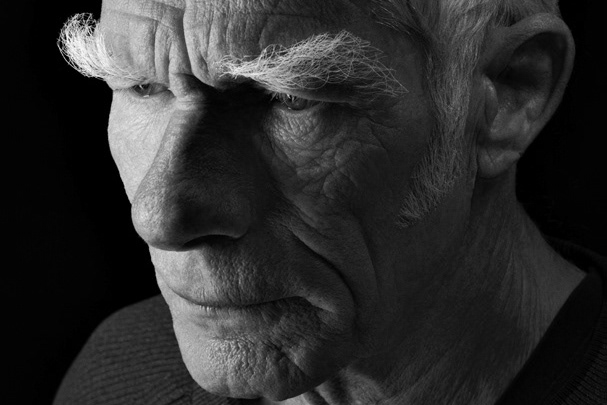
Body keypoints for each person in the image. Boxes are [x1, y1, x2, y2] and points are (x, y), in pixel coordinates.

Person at [54, 0, 606, 404]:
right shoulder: (120, 374)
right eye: (141, 86)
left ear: (510, 90)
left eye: (287, 96)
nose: (159, 217)